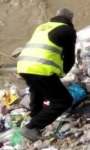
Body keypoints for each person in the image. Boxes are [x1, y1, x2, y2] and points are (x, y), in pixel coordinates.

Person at [17, 8, 77, 142]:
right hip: (40, 67)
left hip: (23, 65)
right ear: (70, 20)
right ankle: (31, 127)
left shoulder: (42, 27)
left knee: (37, 91)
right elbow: (69, 58)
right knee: (63, 101)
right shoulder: (68, 31)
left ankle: (35, 120)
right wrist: (62, 74)